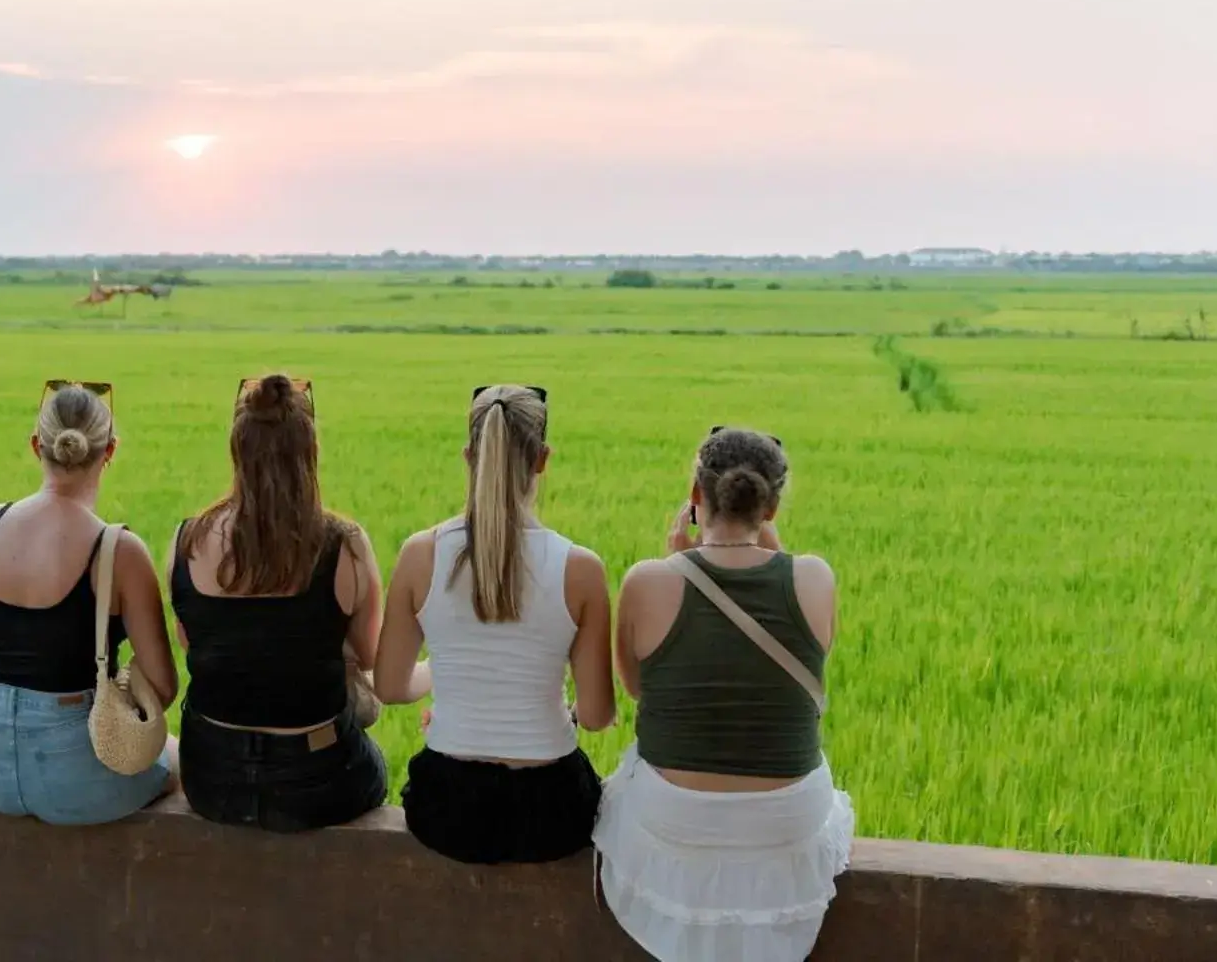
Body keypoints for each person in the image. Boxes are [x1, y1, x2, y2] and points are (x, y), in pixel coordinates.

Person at [594, 427, 850, 962]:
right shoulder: (815, 578)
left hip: (675, 818)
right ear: (773, 507)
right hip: (787, 821)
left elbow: (643, 692)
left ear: (695, 496)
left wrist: (679, 564)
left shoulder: (647, 582)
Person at [375, 383, 616, 864]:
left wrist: (442, 674)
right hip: (553, 809)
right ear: (542, 459)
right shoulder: (580, 568)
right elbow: (596, 715)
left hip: (446, 807)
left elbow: (389, 686)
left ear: (469, 455)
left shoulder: (420, 554)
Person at [0, 381, 179, 825]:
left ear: (37, 445)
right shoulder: (119, 551)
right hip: (72, 773)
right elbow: (163, 687)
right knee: (183, 760)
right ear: (109, 451)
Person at [170, 373, 387, 832]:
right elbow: (369, 656)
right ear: (310, 452)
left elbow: (193, 642)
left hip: (212, 777)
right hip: (319, 781)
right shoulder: (344, 545)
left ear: (237, 449)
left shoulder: (188, 541)